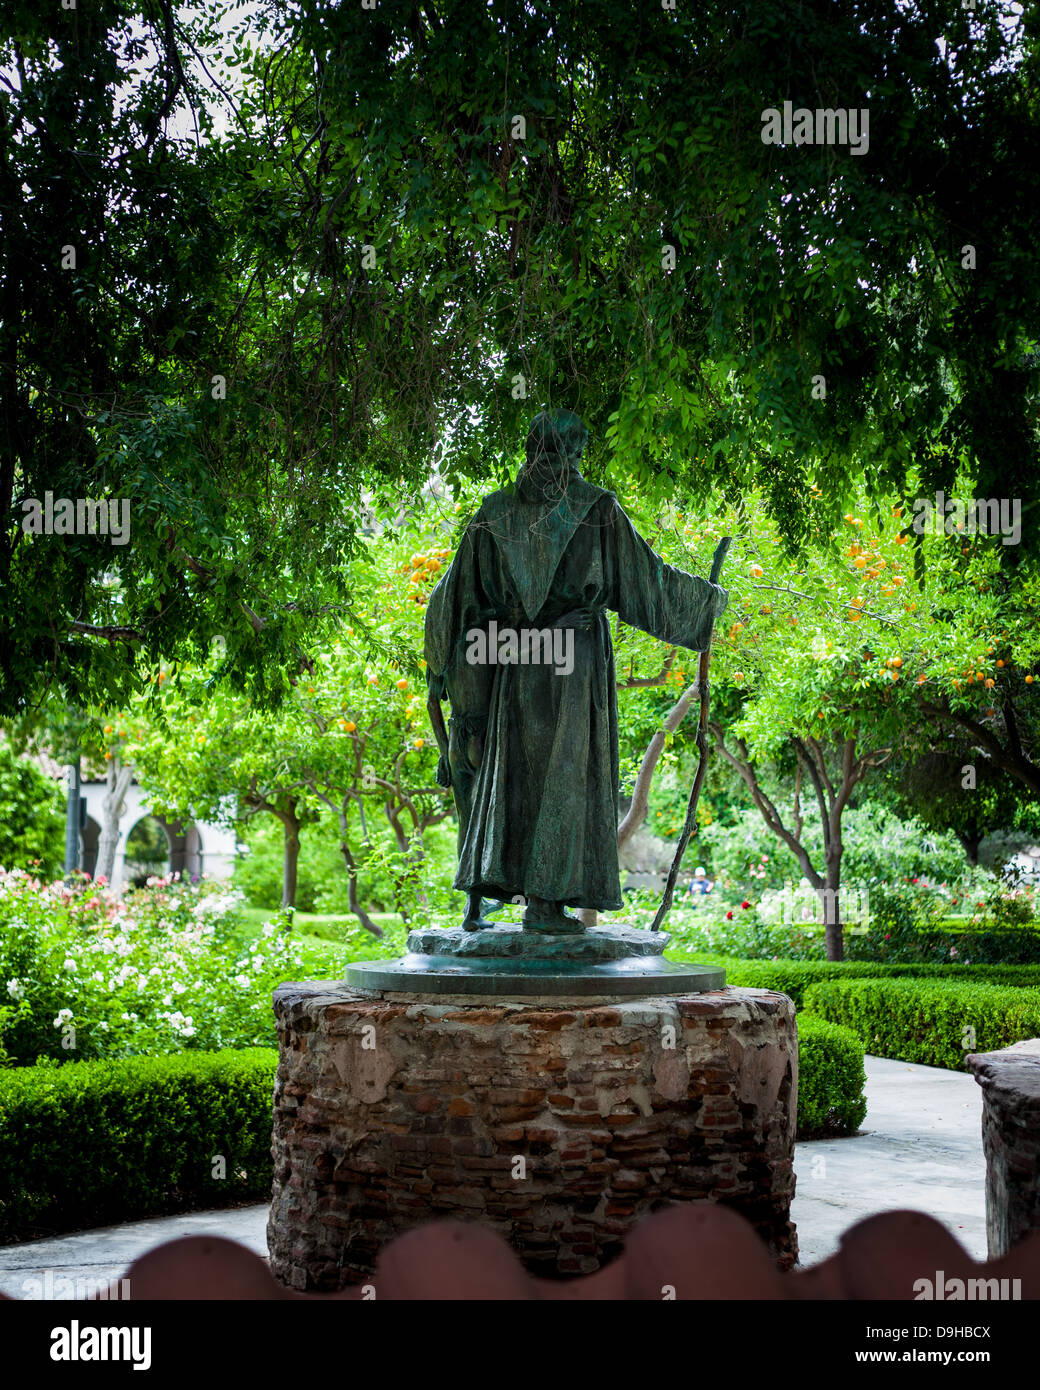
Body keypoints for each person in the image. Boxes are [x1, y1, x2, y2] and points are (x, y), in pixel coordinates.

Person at [425, 409, 727, 933]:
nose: (570, 464)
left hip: (516, 662)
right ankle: (545, 905)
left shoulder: (494, 513)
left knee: (517, 775)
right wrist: (706, 602)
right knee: (561, 774)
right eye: (571, 453)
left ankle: (519, 897)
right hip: (570, 666)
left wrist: (443, 672)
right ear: (562, 454)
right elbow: (647, 584)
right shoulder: (595, 510)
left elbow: (452, 601)